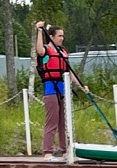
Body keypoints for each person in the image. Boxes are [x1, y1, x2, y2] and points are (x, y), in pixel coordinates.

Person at [34, 21, 89, 157]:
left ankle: (65, 151)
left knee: (63, 122)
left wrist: (81, 86)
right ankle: (48, 152)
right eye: (59, 36)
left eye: (62, 36)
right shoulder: (46, 51)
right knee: (51, 122)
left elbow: (69, 72)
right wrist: (39, 31)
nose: (62, 38)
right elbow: (39, 50)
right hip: (50, 89)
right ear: (52, 37)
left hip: (63, 89)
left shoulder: (63, 52)